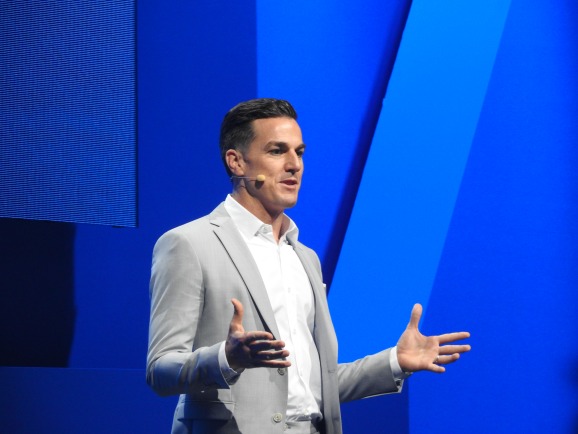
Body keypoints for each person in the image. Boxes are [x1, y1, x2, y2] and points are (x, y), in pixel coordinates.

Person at [146, 98, 471, 434]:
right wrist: (226, 358)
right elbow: (160, 369)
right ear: (236, 161)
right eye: (277, 151)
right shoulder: (189, 244)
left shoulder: (305, 257)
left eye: (299, 153)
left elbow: (314, 387)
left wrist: (395, 362)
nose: (294, 165)